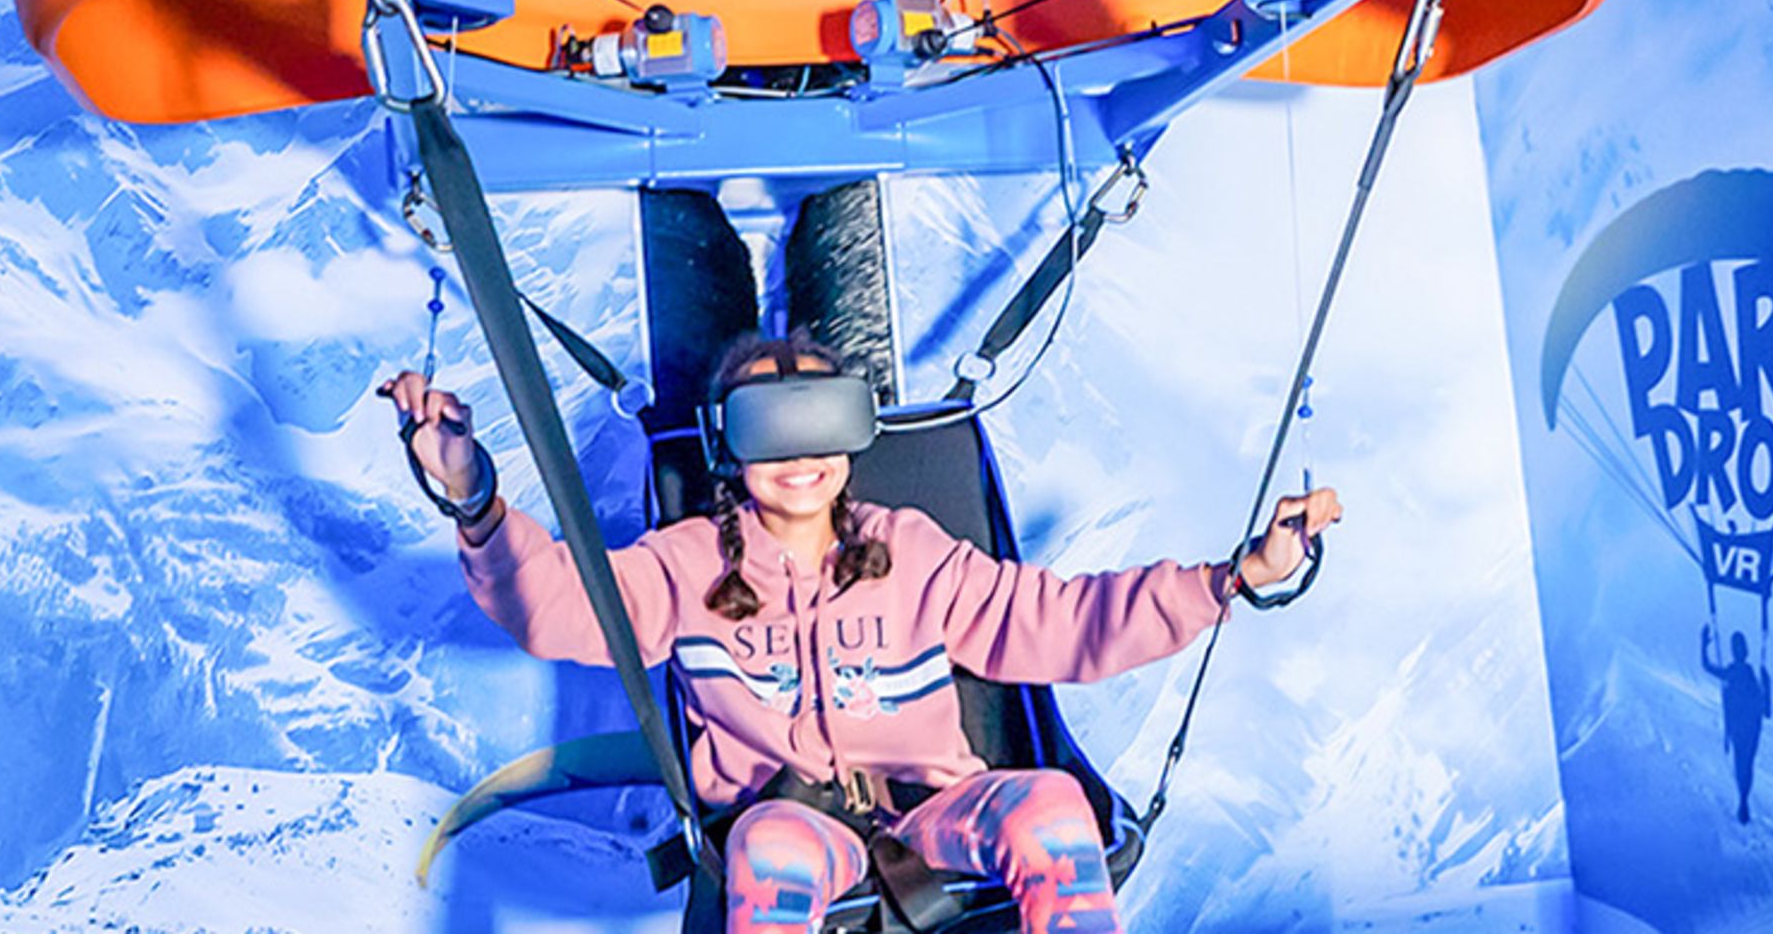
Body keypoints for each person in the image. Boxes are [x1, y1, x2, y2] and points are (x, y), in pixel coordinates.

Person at [381, 333, 1342, 933]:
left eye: (820, 422)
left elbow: (1061, 623)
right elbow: (558, 605)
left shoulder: (909, 550)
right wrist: (475, 499)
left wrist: (1229, 581)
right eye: (769, 424)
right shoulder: (683, 567)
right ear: (725, 442)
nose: (799, 454)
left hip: (933, 809)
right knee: (772, 857)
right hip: (787, 818)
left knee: (1053, 807)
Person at [1701, 624, 1772, 824]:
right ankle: (1743, 801)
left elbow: (1765, 709)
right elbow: (1707, 666)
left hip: (1747, 726)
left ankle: (1743, 801)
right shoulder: (1738, 674)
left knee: (1745, 764)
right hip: (1744, 726)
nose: (1739, 651)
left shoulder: (1746, 675)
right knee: (1744, 764)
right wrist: (1703, 645)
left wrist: (1767, 686)